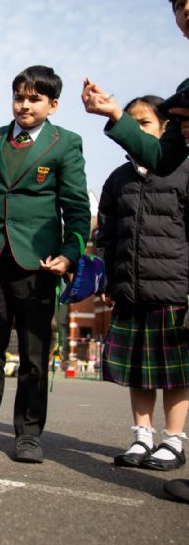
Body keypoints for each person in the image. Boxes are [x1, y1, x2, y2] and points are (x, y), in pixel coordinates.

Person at [0, 65, 90, 463]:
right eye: (19, 97)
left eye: (35, 99)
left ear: (52, 105)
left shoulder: (65, 144)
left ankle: (28, 434)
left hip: (38, 262)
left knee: (34, 351)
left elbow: (77, 208)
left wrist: (70, 253)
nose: (25, 105)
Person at [97, 95, 189, 473]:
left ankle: (174, 441)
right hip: (130, 292)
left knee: (176, 374)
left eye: (145, 123)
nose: (136, 130)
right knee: (139, 371)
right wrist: (108, 277)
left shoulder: (183, 170)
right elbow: (106, 235)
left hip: (174, 292)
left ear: (165, 129)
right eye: (130, 123)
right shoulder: (117, 179)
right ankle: (142, 436)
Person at [82, 0, 189, 177]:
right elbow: (161, 159)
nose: (186, 9)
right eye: (179, 4)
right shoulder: (185, 94)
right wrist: (116, 114)